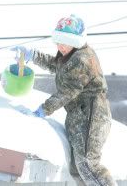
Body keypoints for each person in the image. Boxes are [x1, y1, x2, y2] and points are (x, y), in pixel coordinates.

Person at [16, 14, 115, 186]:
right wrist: (32, 55)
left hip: (92, 115)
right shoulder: (70, 55)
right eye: (58, 41)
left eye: (64, 41)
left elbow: (66, 93)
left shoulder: (82, 59)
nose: (59, 45)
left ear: (76, 41)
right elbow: (56, 65)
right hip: (79, 117)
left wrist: (43, 110)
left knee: (88, 164)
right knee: (77, 169)